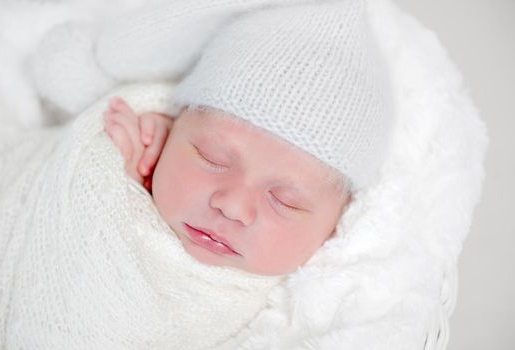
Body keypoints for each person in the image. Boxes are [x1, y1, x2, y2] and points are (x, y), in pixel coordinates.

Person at [101, 0, 392, 276]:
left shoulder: (329, 304)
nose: (232, 206)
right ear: (172, 128)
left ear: (336, 227)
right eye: (210, 157)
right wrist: (128, 189)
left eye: (284, 201)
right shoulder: (131, 152)